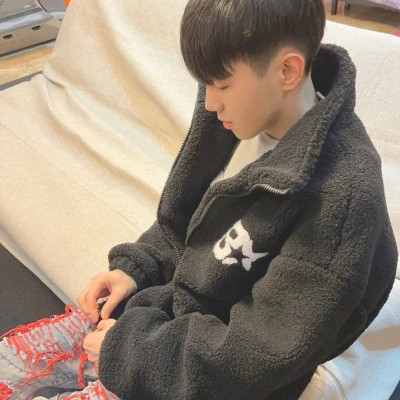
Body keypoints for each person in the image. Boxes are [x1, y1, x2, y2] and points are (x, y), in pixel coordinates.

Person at [0, 0, 398, 399]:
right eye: (205, 84)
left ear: (287, 71)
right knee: (8, 364)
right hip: (158, 324)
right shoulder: (232, 114)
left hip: (209, 379)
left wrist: (128, 354)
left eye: (221, 85)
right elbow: (181, 223)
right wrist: (137, 269)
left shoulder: (342, 202)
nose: (209, 103)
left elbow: (256, 356)